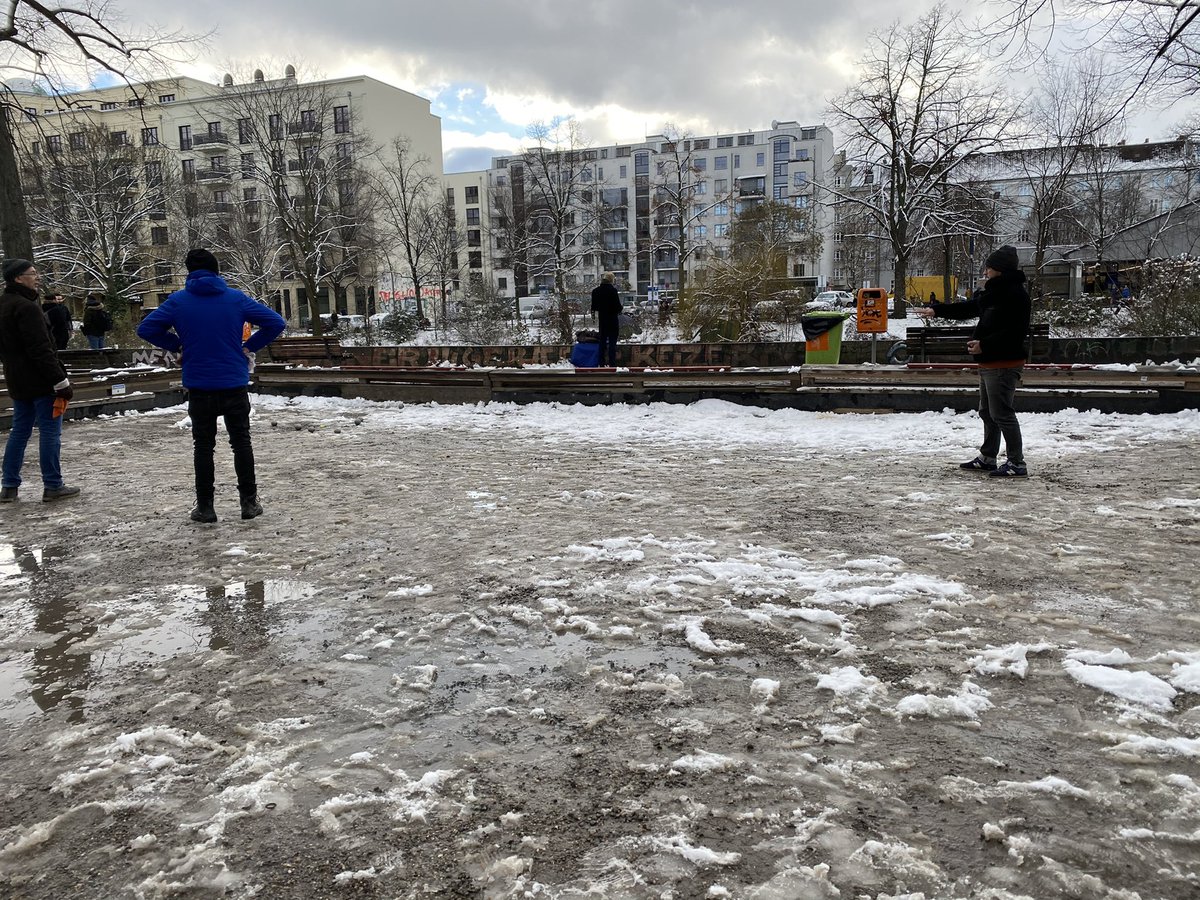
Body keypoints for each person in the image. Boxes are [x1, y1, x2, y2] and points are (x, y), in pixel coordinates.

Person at [136, 248, 286, 523]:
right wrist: (248, 347)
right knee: (241, 443)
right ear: (218, 272)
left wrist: (179, 345)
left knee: (202, 446)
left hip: (200, 384)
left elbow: (145, 329)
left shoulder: (178, 301)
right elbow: (276, 322)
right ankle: (249, 503)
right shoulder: (235, 298)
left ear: (189, 273)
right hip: (233, 382)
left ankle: (205, 507)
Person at [912, 245, 1032, 478]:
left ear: (1000, 269)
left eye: (989, 267)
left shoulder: (1015, 295)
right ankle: (988, 457)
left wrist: (984, 345)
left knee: (1002, 413)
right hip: (989, 363)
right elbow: (968, 308)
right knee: (987, 412)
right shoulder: (994, 292)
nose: (985, 271)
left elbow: (1015, 332)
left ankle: (1017, 462)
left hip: (1004, 363)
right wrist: (936, 311)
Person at [0, 259, 80, 503]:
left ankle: (9, 486)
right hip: (42, 381)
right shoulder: (27, 307)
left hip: (17, 380)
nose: (37, 277)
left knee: (20, 431)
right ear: (17, 278)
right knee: (49, 432)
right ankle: (53, 485)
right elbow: (41, 349)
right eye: (32, 273)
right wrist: (60, 381)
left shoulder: (4, 305)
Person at [590, 272, 622, 367]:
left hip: (602, 320)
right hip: (612, 320)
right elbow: (618, 307)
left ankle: (601, 363)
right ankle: (612, 363)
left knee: (602, 342)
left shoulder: (595, 291)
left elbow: (594, 306)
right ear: (611, 280)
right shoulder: (613, 291)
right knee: (612, 342)